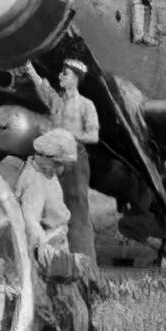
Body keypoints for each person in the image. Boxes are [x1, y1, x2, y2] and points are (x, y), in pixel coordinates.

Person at [22, 57, 101, 262]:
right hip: (54, 162)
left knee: (77, 209)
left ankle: (86, 263)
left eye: (65, 74)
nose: (60, 76)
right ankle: (54, 262)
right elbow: (42, 88)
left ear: (75, 78)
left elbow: (93, 135)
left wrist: (70, 136)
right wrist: (29, 68)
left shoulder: (86, 105)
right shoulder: (57, 101)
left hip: (75, 161)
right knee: (53, 209)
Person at [14, 129, 76, 264]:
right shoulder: (35, 181)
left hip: (58, 236)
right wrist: (44, 248)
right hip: (47, 242)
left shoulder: (47, 173)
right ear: (45, 157)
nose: (59, 168)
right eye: (57, 163)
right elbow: (30, 220)